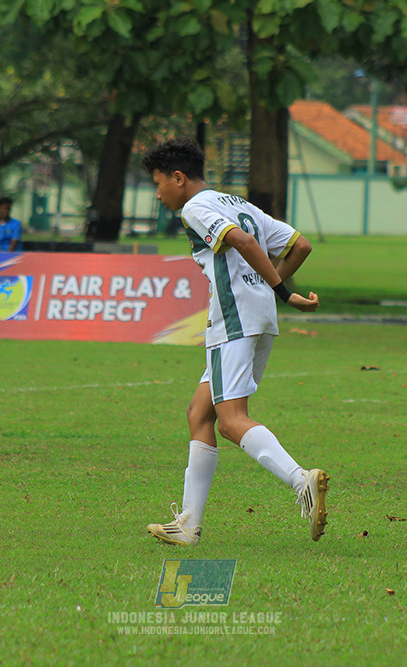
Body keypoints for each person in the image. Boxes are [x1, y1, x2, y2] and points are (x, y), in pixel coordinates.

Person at [141, 137, 329, 546]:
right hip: (257, 317)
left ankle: (302, 481)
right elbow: (300, 245)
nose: (158, 194)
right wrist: (271, 288)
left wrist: (282, 292)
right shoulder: (237, 203)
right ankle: (188, 525)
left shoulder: (195, 208)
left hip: (233, 317)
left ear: (178, 177)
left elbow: (242, 243)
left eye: (159, 184)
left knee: (230, 420)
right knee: (199, 414)